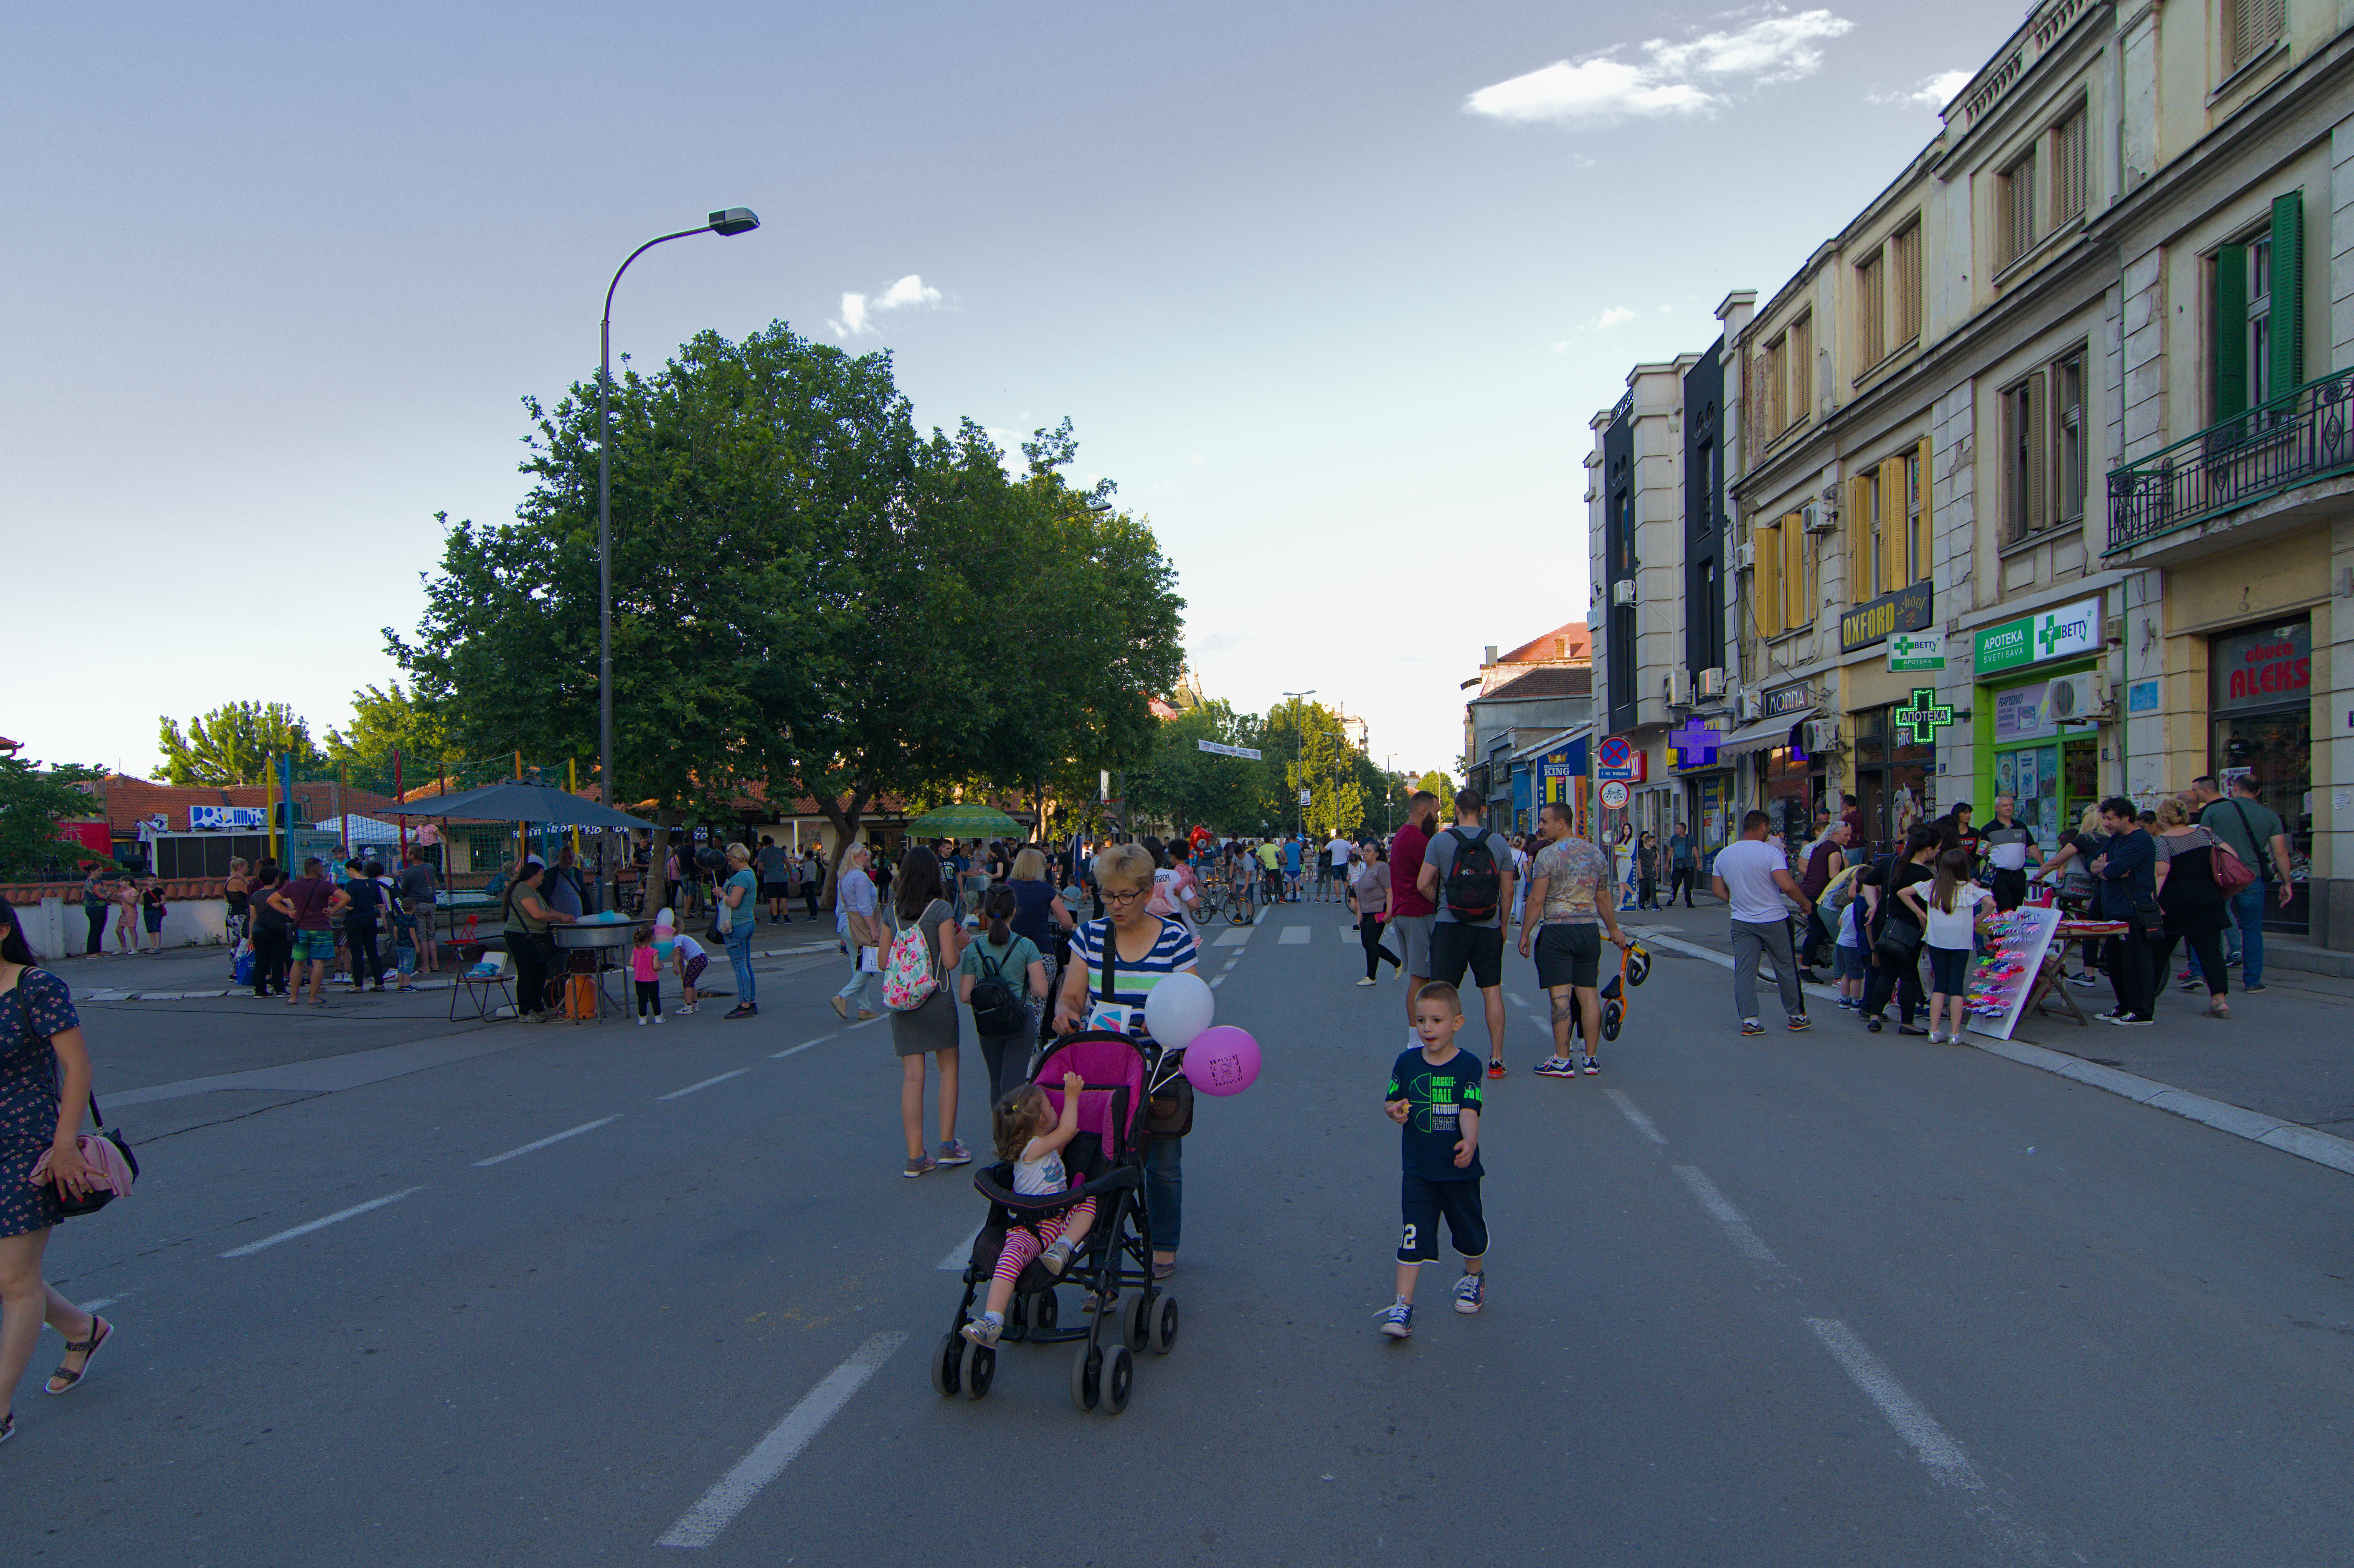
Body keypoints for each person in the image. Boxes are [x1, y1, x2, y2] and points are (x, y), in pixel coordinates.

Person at [1055, 842, 1201, 1281]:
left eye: (1125, 895)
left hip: (1158, 1068)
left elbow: (1190, 1002)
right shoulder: (1090, 937)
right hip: (1103, 1063)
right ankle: (1103, 1263)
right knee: (1098, 1165)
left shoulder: (1174, 939)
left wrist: (1169, 1032)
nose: (1115, 905)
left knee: (1162, 1164)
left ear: (1145, 891)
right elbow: (1072, 994)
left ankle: (1162, 1243)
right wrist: (1066, 1011)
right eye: (1107, 895)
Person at [0, 903, 114, 1448]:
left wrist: (65, 1142)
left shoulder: (35, 986)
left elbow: (79, 1067)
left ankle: (0, 1410)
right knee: (8, 1273)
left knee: (16, 1281)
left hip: (27, 1142)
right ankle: (81, 1328)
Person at [1377, 981, 1486, 1340]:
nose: (1427, 1029)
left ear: (1457, 1023)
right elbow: (1392, 1101)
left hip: (1458, 1172)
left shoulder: (1469, 1066)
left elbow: (1470, 1108)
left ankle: (1474, 1277)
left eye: (1437, 1021)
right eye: (1421, 1021)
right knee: (1412, 1236)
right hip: (1419, 1170)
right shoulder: (1406, 1063)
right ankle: (1403, 1306)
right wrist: (1394, 1112)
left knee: (1469, 1235)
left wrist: (1469, 1141)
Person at [961, 1073, 1099, 1349]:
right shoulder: (1032, 1149)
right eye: (1051, 1106)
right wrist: (1072, 1097)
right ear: (1042, 1121)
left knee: (1089, 1201)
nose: (1055, 1108)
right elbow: (1069, 1130)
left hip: (1054, 1220)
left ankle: (1062, 1248)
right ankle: (992, 1320)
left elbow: (1059, 1146)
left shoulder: (1041, 1148)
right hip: (1031, 1228)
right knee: (1008, 1262)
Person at [1519, 799, 1628, 1077]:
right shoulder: (1596, 854)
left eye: (1544, 821)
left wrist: (1525, 934)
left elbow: (1536, 900)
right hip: (1589, 931)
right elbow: (1603, 897)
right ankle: (1591, 1059)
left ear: (1561, 823)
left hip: (1558, 930)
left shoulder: (1548, 856)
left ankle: (1563, 1060)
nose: (1540, 827)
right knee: (1589, 995)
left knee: (1561, 999)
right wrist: (1614, 930)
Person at [1416, 786, 1516, 1079]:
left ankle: (1441, 1058)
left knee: (1443, 994)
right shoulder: (1499, 843)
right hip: (1487, 927)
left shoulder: (1440, 841)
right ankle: (1497, 1059)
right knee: (1492, 993)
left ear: (1457, 811)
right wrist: (1503, 924)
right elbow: (1508, 890)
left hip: (1451, 925)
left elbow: (1423, 884)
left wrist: (1443, 902)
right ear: (1483, 811)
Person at [888, 846, 969, 1177]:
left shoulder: (891, 911)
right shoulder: (941, 909)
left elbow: (882, 962)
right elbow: (949, 961)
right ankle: (947, 1145)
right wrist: (960, 944)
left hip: (904, 1003)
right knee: (948, 1071)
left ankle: (915, 1156)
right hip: (937, 998)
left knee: (912, 1078)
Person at [1711, 811, 1814, 1036]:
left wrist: (1738, 899)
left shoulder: (1724, 855)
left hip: (1741, 921)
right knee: (1785, 968)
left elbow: (1718, 890)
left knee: (1745, 971)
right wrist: (1805, 903)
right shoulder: (1771, 853)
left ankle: (1750, 1021)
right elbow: (1787, 886)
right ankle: (1797, 1016)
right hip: (1774, 919)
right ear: (1764, 827)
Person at [2197, 773, 2294, 994]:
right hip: (2252, 877)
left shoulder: (2214, 811)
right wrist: (2286, 882)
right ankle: (2253, 981)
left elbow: (2202, 843)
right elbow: (2280, 852)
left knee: (2212, 926)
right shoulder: (2270, 816)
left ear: (2234, 788)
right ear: (2259, 792)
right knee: (2251, 930)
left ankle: (2210, 976)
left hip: (2219, 877)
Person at [959, 885, 1048, 1101]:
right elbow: (1041, 990)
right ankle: (1014, 1132)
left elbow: (965, 995)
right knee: (1014, 1085)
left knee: (996, 1083)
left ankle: (999, 1132)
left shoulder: (974, 949)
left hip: (988, 1022)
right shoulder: (1026, 946)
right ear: (1014, 911)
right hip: (1020, 1019)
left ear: (985, 912)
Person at [1902, 847, 1991, 1044]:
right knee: (1957, 986)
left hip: (1937, 940)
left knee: (1939, 984)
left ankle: (1934, 1032)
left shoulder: (1932, 885)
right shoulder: (1970, 888)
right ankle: (1955, 1034)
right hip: (1961, 941)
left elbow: (1904, 893)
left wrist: (1921, 914)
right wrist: (1977, 920)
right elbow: (1991, 904)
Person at [2153, 799, 2232, 1020]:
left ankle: (2146, 997)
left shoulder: (2163, 842)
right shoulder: (2206, 836)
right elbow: (2231, 855)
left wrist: (2152, 902)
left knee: (2159, 951)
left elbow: (2161, 873)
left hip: (2175, 901)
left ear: (2162, 817)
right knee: (2211, 952)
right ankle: (2219, 999)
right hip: (2208, 897)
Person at [1858, 826, 1940, 1035]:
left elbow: (1868, 882)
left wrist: (1873, 905)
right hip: (1908, 929)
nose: (1938, 853)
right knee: (1908, 975)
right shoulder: (1924, 874)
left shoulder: (1890, 862)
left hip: (1883, 925)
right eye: (1937, 849)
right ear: (1928, 850)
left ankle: (1875, 1017)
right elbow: (1924, 910)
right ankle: (1907, 1022)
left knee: (1886, 972)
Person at [2090, 797, 2161, 1026]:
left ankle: (2141, 1011)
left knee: (2135, 962)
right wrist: (2106, 868)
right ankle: (2124, 1005)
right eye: (2104, 818)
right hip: (2114, 910)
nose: (2106, 824)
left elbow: (2115, 870)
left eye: (2110, 819)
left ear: (2126, 817)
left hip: (2133, 909)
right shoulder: (2115, 840)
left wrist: (2109, 868)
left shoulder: (2140, 840)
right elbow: (2092, 864)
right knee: (2116, 963)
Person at [1389, 790, 1441, 1043]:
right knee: (1420, 979)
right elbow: (1431, 878)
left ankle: (1419, 1035)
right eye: (1436, 812)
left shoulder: (1402, 834)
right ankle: (1415, 1039)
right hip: (1418, 913)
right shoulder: (1419, 840)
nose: (1438, 817)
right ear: (1424, 812)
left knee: (1421, 977)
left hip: (1405, 912)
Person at [498, 860, 575, 1022]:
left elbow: (547, 910)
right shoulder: (523, 889)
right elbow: (537, 914)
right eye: (541, 875)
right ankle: (525, 1012)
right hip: (521, 937)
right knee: (527, 973)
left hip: (535, 936)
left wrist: (563, 916)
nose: (543, 878)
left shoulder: (534, 891)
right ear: (532, 876)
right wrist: (559, 917)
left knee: (540, 971)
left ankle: (538, 1007)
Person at [269, 858, 347, 1007]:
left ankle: (293, 997)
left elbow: (272, 900)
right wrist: (332, 911)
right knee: (318, 962)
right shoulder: (325, 885)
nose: (323, 872)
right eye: (322, 869)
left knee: (298, 962)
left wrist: (288, 912)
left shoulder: (293, 886)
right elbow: (346, 897)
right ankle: (313, 997)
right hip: (320, 928)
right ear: (317, 870)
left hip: (300, 928)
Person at [831, 845, 882, 1021]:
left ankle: (864, 1008)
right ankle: (842, 997)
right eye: (864, 855)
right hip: (860, 926)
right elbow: (865, 907)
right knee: (870, 964)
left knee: (858, 967)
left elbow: (840, 907)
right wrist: (874, 930)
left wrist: (843, 931)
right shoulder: (860, 877)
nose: (868, 857)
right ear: (855, 858)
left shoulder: (843, 877)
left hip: (846, 925)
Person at [713, 843, 760, 1020]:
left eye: (731, 859)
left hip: (737, 925)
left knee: (740, 965)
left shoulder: (741, 878)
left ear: (738, 857)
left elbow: (734, 902)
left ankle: (744, 1004)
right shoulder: (750, 874)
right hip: (747, 921)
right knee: (746, 964)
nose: (729, 863)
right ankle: (751, 1001)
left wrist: (720, 894)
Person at [1348, 840, 1398, 985]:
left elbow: (1390, 891)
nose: (1365, 854)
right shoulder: (1368, 868)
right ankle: (1397, 963)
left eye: (1368, 851)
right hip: (1367, 911)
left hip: (1379, 910)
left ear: (1377, 854)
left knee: (1370, 943)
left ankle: (1371, 977)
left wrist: (1389, 912)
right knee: (1368, 943)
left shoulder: (1382, 868)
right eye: (1363, 851)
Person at [1979, 794, 2040, 912]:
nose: (2008, 808)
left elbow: (2032, 847)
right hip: (2000, 875)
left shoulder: (2021, 827)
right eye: (2005, 806)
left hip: (2019, 875)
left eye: (2011, 805)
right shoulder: (1988, 829)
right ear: (1997, 808)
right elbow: (1982, 853)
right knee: (2006, 910)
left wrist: (2043, 866)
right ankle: (2006, 931)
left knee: (2017, 908)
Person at [341, 859, 387, 993]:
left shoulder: (351, 885)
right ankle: (379, 983)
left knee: (357, 953)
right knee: (373, 951)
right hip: (370, 919)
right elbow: (380, 904)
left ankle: (358, 985)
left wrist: (340, 904)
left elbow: (350, 906)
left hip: (355, 920)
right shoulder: (373, 883)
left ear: (350, 869)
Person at [249, 868, 293, 998]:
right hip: (276, 930)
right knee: (277, 960)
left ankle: (260, 990)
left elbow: (253, 916)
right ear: (276, 879)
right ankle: (279, 989)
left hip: (258, 930)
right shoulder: (279, 894)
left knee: (261, 961)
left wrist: (251, 934)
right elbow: (291, 905)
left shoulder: (255, 895)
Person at [396, 853, 441, 974]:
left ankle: (425, 966)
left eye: (408, 853)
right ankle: (435, 964)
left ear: (412, 856)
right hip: (431, 903)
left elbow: (404, 889)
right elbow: (421, 871)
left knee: (422, 937)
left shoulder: (409, 872)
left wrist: (405, 875)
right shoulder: (430, 867)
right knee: (431, 936)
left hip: (419, 904)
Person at [629, 924, 665, 1026]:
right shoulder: (654, 952)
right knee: (654, 999)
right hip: (652, 980)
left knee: (642, 999)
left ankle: (642, 1019)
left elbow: (632, 963)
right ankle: (658, 1017)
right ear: (652, 937)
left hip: (639, 979)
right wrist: (661, 967)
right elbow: (655, 967)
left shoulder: (635, 950)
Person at [670, 930, 710, 1014]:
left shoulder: (676, 939)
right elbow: (680, 959)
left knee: (687, 983)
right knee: (690, 982)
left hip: (696, 959)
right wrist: (682, 973)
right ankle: (695, 1004)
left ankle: (688, 1007)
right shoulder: (682, 938)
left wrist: (674, 967)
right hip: (702, 958)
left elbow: (677, 954)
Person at [756, 837, 793, 925]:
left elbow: (760, 867)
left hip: (769, 878)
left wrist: (760, 873)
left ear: (764, 844)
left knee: (772, 898)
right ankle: (786, 918)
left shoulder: (762, 853)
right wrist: (791, 875)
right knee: (783, 898)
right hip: (781, 877)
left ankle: (775, 918)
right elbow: (788, 864)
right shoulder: (780, 851)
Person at [78, 868, 109, 958]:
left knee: (99, 930)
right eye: (99, 871)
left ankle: (97, 951)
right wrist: (109, 894)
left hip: (100, 908)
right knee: (95, 930)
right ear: (92, 871)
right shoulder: (91, 882)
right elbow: (103, 894)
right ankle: (91, 952)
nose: (101, 873)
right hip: (94, 908)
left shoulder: (97, 881)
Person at [1667, 822, 1698, 907]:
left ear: (1683, 830)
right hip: (1678, 864)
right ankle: (1672, 898)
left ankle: (1689, 902)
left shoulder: (1691, 838)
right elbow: (1671, 850)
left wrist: (1698, 862)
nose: (1676, 830)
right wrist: (1667, 862)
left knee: (1688, 885)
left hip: (1688, 865)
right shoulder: (1674, 839)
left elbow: (1695, 850)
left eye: (1677, 828)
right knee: (1676, 883)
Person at [223, 857, 251, 944]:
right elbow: (252, 892)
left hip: (232, 914)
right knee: (243, 942)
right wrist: (245, 880)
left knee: (236, 942)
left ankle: (234, 958)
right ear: (240, 867)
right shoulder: (238, 882)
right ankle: (240, 958)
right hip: (240, 915)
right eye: (246, 867)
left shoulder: (228, 880)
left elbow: (226, 899)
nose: (248, 869)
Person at [136, 877, 166, 954]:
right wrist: (142, 894)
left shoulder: (159, 890)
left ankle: (157, 947)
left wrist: (159, 904)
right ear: (146, 881)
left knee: (156, 928)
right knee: (150, 930)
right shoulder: (143, 891)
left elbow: (164, 901)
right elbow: (141, 903)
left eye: (155, 880)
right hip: (147, 911)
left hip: (157, 911)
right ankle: (153, 947)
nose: (153, 882)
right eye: (151, 880)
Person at [109, 877, 137, 956]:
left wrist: (123, 896)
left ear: (128, 882)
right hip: (124, 913)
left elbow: (133, 903)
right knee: (118, 930)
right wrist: (119, 898)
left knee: (132, 930)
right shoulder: (125, 891)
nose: (120, 883)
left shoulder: (133, 891)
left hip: (131, 912)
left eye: (122, 882)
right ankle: (123, 947)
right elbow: (122, 903)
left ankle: (134, 948)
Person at [1323, 832, 1352, 904]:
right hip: (1344, 863)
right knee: (1346, 882)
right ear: (1342, 835)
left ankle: (1338, 899)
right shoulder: (1346, 843)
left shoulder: (1332, 843)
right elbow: (1354, 851)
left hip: (1335, 864)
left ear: (1336, 835)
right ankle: (1348, 898)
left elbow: (1324, 850)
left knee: (1337, 881)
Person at [1634, 831, 1660, 911]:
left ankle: (1655, 904)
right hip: (1644, 872)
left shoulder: (1653, 850)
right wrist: (1640, 872)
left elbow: (1655, 861)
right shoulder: (1642, 851)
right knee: (1643, 889)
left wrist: (1657, 872)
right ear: (1648, 842)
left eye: (1654, 842)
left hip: (1652, 873)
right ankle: (1641, 903)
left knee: (1653, 888)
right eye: (1652, 842)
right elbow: (1639, 861)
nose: (1654, 843)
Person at [1255, 836, 1283, 908]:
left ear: (1264, 841)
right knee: (1279, 880)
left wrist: (1262, 862)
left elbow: (1256, 856)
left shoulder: (1262, 848)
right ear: (1270, 841)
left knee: (1268, 881)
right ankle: (1281, 898)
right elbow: (1281, 852)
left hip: (1267, 867)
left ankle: (1269, 898)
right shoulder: (1273, 846)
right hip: (1274, 867)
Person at [1280, 834, 1303, 903]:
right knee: (1297, 882)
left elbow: (1284, 856)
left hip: (1289, 867)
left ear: (1290, 838)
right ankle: (1298, 898)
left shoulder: (1286, 846)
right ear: (1296, 838)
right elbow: (1299, 854)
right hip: (1296, 866)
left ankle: (1289, 898)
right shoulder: (1298, 845)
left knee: (1289, 882)